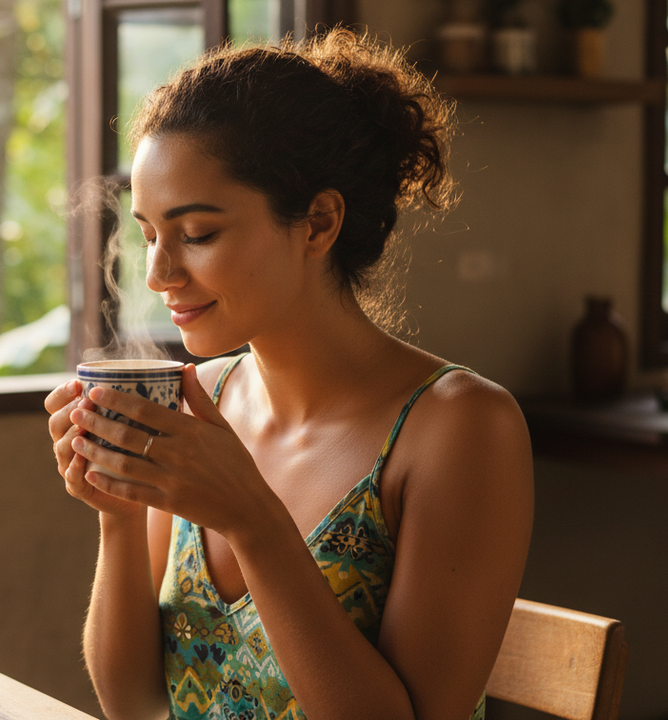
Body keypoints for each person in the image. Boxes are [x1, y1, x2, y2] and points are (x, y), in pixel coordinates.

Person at [44, 28, 534, 720]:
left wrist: (254, 522)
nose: (158, 275)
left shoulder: (458, 427)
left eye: (199, 234)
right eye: (151, 233)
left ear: (318, 223)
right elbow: (137, 706)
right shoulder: (199, 399)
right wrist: (120, 519)